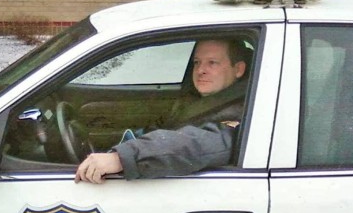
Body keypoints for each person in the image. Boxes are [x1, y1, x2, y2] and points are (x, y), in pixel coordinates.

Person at [74, 38, 250, 184]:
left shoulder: (243, 111)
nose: (201, 70)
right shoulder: (198, 102)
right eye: (197, 63)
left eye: (212, 63)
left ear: (238, 69)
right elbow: (163, 128)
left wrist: (122, 158)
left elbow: (196, 144)